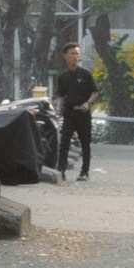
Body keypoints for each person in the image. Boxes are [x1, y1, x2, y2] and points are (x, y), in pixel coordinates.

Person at [52, 43, 101, 180]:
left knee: (85, 143)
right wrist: (58, 109)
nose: (75, 56)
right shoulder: (63, 77)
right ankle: (61, 171)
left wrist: (88, 103)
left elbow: (95, 91)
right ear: (66, 56)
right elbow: (61, 96)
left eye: (77, 53)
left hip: (83, 114)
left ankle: (84, 172)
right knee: (64, 143)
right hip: (69, 114)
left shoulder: (85, 74)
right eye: (72, 53)